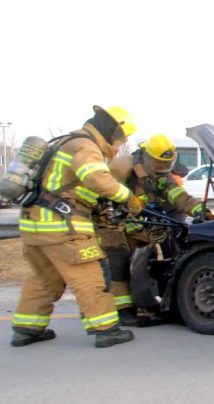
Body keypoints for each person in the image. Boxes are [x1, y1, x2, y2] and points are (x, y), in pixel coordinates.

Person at [10, 105, 145, 348]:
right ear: (113, 130)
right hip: (63, 228)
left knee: (44, 279)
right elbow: (97, 179)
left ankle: (26, 329)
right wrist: (128, 197)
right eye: (121, 138)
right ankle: (106, 330)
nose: (119, 143)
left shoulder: (64, 141)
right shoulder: (85, 146)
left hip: (33, 224)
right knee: (89, 278)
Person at [96, 134, 210, 326]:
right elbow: (102, 194)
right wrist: (121, 216)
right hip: (110, 223)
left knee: (144, 262)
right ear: (147, 156)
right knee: (118, 261)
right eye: (158, 163)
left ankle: (143, 302)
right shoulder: (123, 167)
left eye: (166, 164)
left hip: (136, 224)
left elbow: (177, 196)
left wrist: (199, 210)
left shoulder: (162, 175)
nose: (162, 167)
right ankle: (122, 310)